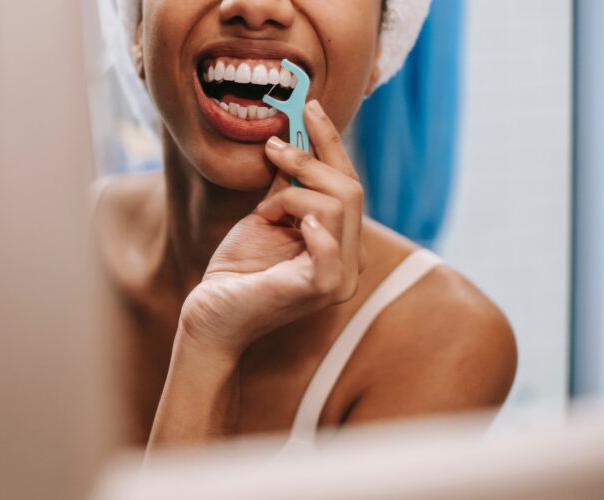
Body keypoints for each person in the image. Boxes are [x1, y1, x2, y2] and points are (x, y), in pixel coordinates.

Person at [93, 0, 517, 452]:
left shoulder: (450, 343)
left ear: (380, 48)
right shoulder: (29, 251)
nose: (256, 8)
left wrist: (211, 341)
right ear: (136, 26)